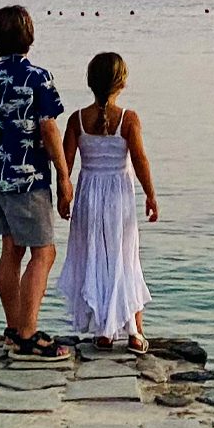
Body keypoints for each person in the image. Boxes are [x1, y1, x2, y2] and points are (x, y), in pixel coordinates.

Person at [0, 5, 73, 361]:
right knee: (44, 252)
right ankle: (28, 334)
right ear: (29, 35)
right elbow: (48, 128)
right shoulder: (38, 79)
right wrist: (64, 176)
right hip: (29, 178)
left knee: (11, 250)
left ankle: (14, 330)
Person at [55, 51, 159, 352]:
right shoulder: (128, 119)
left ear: (91, 83)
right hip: (118, 197)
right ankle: (135, 332)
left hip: (88, 195)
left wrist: (64, 194)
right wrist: (151, 194)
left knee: (95, 258)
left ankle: (105, 330)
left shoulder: (77, 119)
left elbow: (65, 162)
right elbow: (139, 160)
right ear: (122, 83)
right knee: (125, 259)